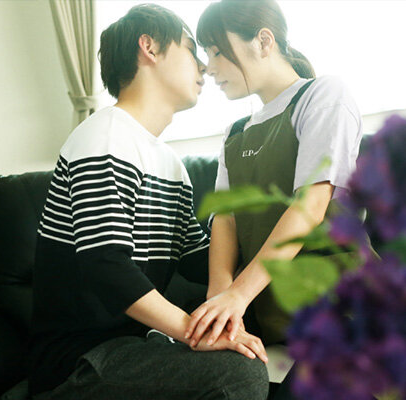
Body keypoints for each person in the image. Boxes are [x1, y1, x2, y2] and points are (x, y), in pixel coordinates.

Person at [27, 4, 270, 400]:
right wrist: (197, 334)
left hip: (134, 347)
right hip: (78, 363)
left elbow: (199, 259)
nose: (204, 66)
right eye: (191, 49)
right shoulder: (105, 137)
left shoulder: (170, 164)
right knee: (237, 374)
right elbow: (106, 265)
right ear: (149, 47)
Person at [184, 0, 363, 396]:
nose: (209, 67)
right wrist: (220, 301)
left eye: (217, 51)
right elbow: (226, 221)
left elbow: (310, 206)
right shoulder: (235, 134)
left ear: (263, 41)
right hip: (273, 319)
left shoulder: (323, 95)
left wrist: (238, 295)